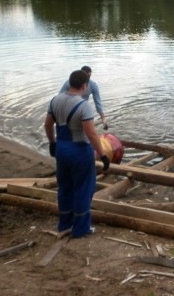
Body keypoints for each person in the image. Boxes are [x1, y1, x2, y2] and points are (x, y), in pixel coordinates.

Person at [45, 69, 111, 238]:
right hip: (79, 151)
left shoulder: (55, 100)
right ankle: (81, 229)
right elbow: (91, 134)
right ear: (84, 85)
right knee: (83, 189)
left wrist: (52, 143)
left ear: (69, 83)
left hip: (61, 149)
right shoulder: (83, 106)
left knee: (65, 187)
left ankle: (65, 225)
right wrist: (103, 155)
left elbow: (47, 125)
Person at [60, 65, 108, 130]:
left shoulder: (93, 85)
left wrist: (103, 118)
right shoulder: (70, 82)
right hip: (70, 107)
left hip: (82, 108)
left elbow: (98, 102)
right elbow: (60, 96)